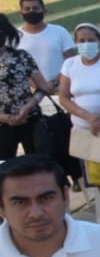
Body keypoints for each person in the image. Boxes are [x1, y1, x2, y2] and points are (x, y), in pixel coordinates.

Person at [58, 23, 100, 218]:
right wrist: (89, 117)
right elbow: (64, 98)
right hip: (86, 131)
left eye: (91, 40)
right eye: (81, 41)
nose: (86, 44)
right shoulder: (70, 65)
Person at [0, 15, 49, 159]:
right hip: (2, 124)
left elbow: (43, 86)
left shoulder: (21, 56)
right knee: (4, 168)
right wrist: (4, 117)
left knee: (37, 163)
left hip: (30, 118)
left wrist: (28, 108)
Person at [17, 0, 76, 84]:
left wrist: (54, 83)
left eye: (35, 8)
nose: (31, 11)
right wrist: (34, 85)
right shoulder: (14, 36)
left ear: (44, 11)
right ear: (21, 13)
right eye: (27, 9)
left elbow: (71, 61)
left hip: (60, 88)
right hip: (29, 91)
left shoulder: (60, 31)